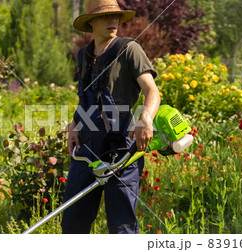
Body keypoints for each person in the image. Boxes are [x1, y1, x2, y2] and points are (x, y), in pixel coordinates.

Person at [62, 0, 161, 234]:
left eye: (115, 16)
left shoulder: (129, 49)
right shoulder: (83, 55)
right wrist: (74, 125)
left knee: (121, 226)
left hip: (122, 149)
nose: (112, 21)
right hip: (86, 148)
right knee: (72, 222)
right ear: (91, 22)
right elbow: (87, 98)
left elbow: (152, 90)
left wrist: (145, 118)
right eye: (106, 16)